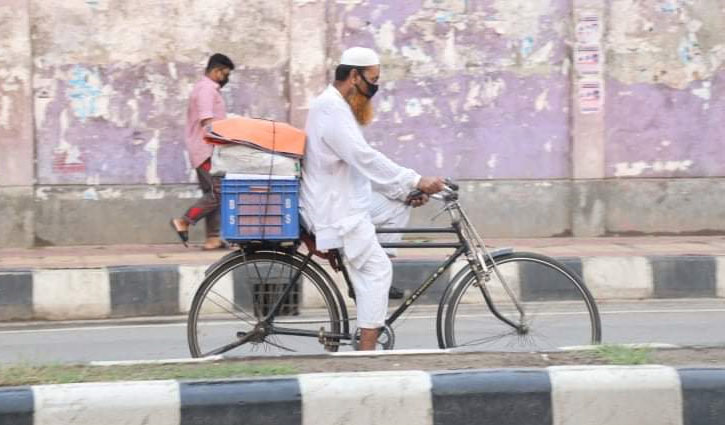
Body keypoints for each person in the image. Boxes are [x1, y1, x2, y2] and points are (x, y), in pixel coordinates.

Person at [300, 47, 445, 351]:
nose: (375, 88)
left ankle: (364, 283)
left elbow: (357, 167)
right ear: (354, 76)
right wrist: (415, 180)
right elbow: (363, 157)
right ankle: (365, 355)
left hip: (343, 198)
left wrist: (404, 191)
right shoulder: (331, 109)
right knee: (379, 270)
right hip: (334, 209)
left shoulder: (336, 106)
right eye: (373, 80)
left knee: (397, 206)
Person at [170, 53, 235, 250]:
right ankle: (184, 221)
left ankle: (212, 239)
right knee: (219, 192)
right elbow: (208, 122)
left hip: (207, 148)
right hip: (206, 149)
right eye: (225, 74)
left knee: (213, 192)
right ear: (216, 71)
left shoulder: (206, 89)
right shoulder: (206, 90)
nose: (226, 78)